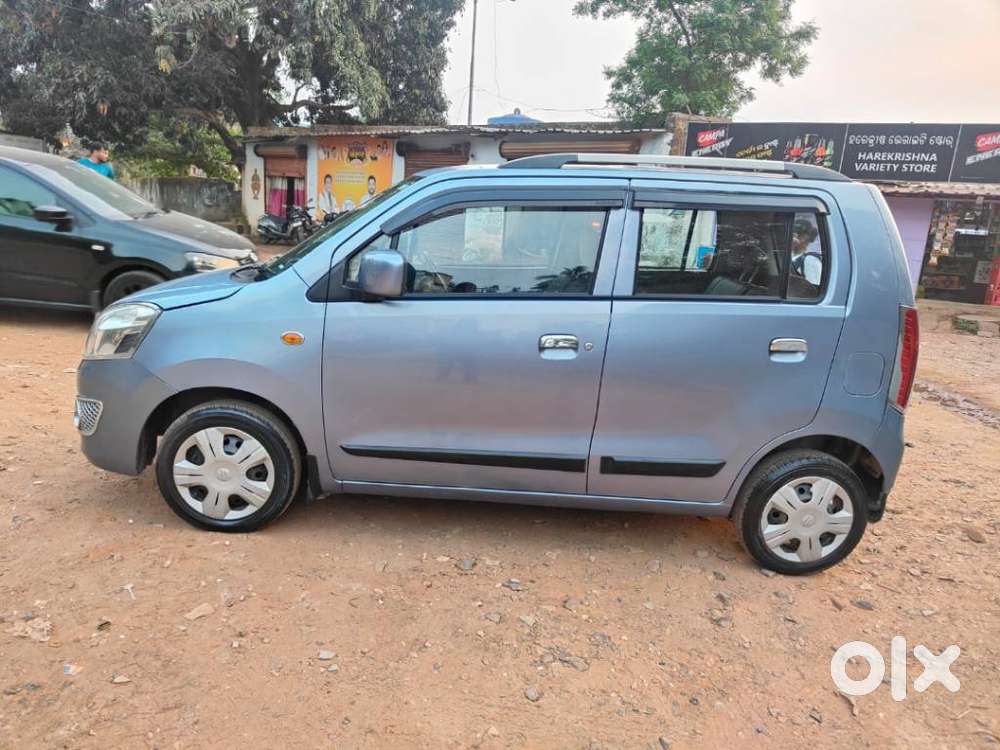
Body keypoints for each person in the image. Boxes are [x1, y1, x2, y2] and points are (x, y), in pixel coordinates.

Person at [790, 218, 822, 286]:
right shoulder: (789, 256)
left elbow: (813, 290)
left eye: (794, 235)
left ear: (804, 237)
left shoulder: (810, 260)